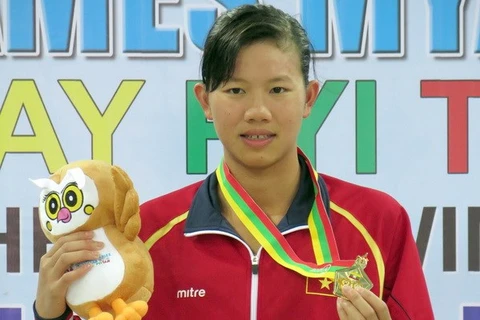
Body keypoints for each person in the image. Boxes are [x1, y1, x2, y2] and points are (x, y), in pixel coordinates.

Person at [33, 4, 434, 320]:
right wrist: (48, 314)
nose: (257, 111)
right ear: (205, 101)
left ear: (310, 98)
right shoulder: (143, 238)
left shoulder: (378, 222)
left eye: (278, 89)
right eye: (236, 89)